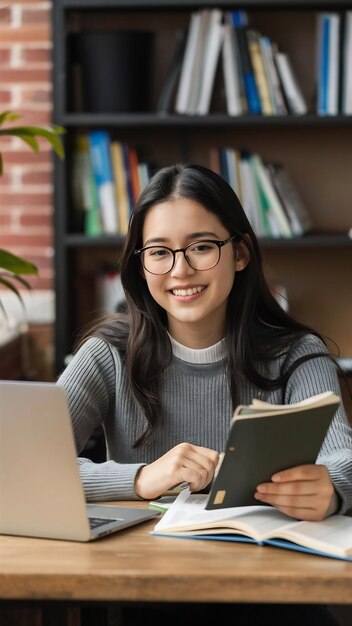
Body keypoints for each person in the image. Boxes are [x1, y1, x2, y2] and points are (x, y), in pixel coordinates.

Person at [58, 163, 351, 624]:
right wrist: (139, 479)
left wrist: (332, 488)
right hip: (144, 590)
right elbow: (23, 470)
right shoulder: (106, 354)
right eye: (159, 252)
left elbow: (345, 457)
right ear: (140, 263)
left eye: (200, 247)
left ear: (240, 253)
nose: (180, 270)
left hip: (272, 594)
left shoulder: (295, 352)